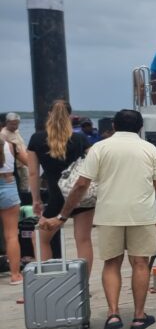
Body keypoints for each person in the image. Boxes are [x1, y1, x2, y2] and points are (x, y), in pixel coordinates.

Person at [42, 109, 156, 329]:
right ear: (140, 128)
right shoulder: (150, 149)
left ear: (114, 127)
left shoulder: (100, 147)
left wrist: (62, 216)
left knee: (111, 264)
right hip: (142, 213)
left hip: (109, 214)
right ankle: (139, 317)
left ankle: (113, 314)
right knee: (140, 263)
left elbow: (81, 185)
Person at [27, 100, 94, 277]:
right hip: (80, 195)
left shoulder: (37, 139)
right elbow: (94, 164)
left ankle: (48, 279)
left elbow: (33, 173)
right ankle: (83, 284)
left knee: (40, 239)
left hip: (57, 197)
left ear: (49, 114)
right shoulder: (80, 139)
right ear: (70, 117)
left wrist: (36, 200)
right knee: (83, 240)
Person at [1, 135, 30, 284]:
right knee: (11, 235)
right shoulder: (10, 144)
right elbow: (29, 162)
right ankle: (15, 275)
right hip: (8, 186)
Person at [1, 112, 29, 198]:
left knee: (26, 185)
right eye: (13, 124)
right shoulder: (3, 134)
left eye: (17, 124)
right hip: (15, 166)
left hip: (23, 164)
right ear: (7, 122)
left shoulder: (16, 131)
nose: (15, 126)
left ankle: (25, 199)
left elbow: (21, 146)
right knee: (18, 187)